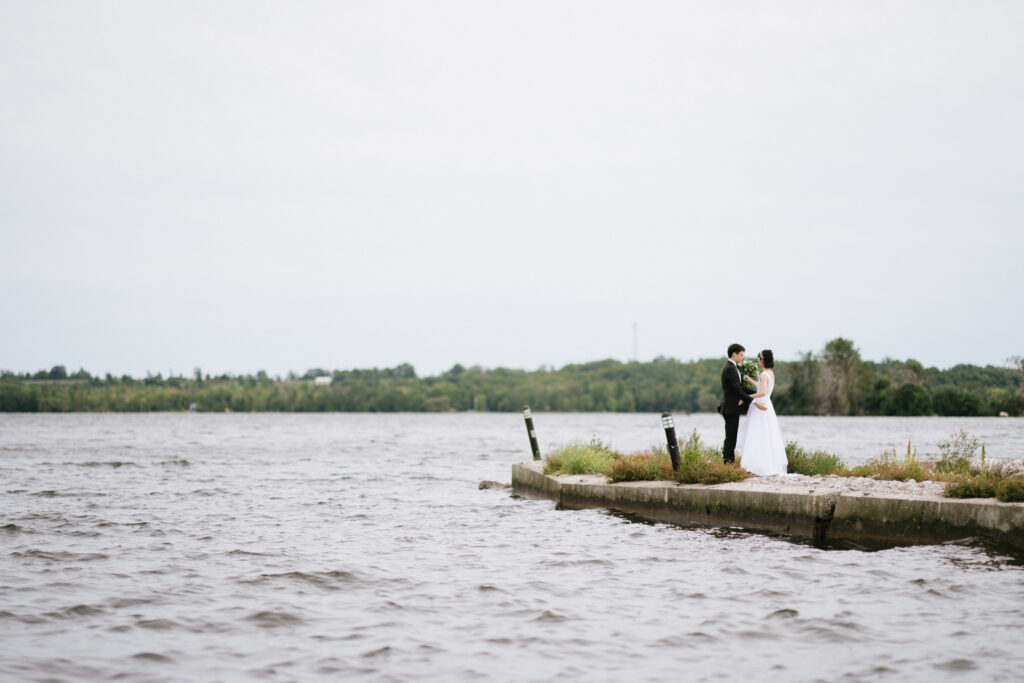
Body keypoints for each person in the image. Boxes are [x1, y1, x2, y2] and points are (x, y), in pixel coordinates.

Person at [739, 350, 788, 476]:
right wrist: (750, 380)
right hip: (767, 404)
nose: (758, 361)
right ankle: (765, 463)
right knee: (766, 433)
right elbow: (761, 387)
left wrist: (746, 397)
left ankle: (756, 464)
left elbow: (762, 392)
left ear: (762, 360)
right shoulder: (770, 373)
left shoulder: (763, 375)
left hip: (760, 405)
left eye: (759, 359)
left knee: (757, 432)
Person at [720, 343, 755, 463]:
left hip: (732, 408)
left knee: (732, 436)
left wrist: (757, 393)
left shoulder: (733, 368)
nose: (742, 358)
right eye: (741, 355)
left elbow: (741, 388)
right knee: (731, 437)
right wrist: (752, 401)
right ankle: (728, 461)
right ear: (734, 354)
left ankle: (729, 460)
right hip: (730, 408)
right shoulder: (730, 369)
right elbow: (737, 390)